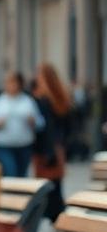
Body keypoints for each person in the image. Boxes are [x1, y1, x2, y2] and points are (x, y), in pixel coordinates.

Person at [0, 71, 43, 177]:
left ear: (19, 84)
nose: (11, 86)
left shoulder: (28, 101)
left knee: (21, 175)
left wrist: (33, 121)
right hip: (3, 145)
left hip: (24, 145)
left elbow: (40, 123)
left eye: (14, 83)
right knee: (11, 173)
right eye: (8, 83)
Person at [32, 63, 71, 220]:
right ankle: (58, 219)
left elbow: (46, 127)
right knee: (56, 188)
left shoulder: (43, 99)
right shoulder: (61, 97)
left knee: (47, 189)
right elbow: (67, 128)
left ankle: (58, 219)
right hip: (57, 148)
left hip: (45, 150)